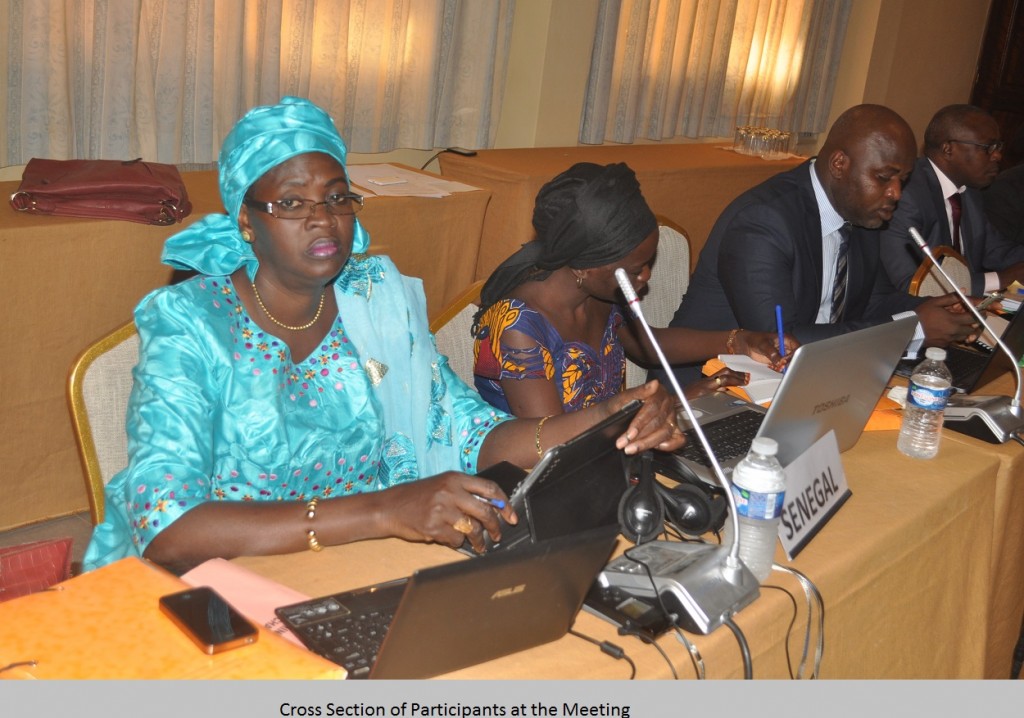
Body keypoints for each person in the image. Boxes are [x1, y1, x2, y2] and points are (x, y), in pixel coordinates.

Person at [83, 98, 684, 573]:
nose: (323, 218)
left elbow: (474, 433)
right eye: (292, 202)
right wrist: (381, 510)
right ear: (246, 218)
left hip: (373, 565)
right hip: (229, 584)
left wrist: (608, 415)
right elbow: (166, 526)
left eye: (338, 197)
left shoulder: (375, 300)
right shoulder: (190, 324)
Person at [660, 103, 977, 385]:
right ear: (840, 164)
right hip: (712, 392)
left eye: (902, 180)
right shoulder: (763, 221)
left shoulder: (861, 213)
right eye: (884, 178)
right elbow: (780, 342)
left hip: (811, 378)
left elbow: (874, 301)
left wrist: (927, 310)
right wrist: (912, 329)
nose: (896, 192)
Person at [471, 162, 797, 418]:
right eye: (633, 270)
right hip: (548, 482)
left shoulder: (598, 295)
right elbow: (553, 448)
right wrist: (676, 401)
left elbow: (646, 346)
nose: (646, 276)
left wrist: (738, 340)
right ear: (584, 266)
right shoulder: (517, 326)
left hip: (614, 456)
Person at [879, 104, 1024, 295]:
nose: (997, 155)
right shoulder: (907, 194)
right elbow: (913, 283)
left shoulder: (969, 192)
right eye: (988, 148)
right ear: (948, 149)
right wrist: (1000, 279)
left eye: (998, 147)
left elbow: (997, 250)